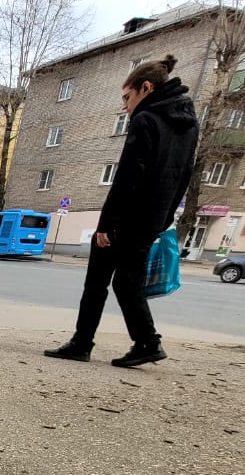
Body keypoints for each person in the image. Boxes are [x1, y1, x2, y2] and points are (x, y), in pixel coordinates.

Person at [45, 55, 197, 368]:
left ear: (146, 87)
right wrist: (165, 219)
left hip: (125, 219)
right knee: (127, 281)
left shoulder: (146, 119)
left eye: (127, 98)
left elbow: (128, 177)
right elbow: (184, 176)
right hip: (152, 220)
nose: (125, 106)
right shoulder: (187, 124)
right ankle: (147, 341)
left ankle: (82, 342)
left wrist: (106, 225)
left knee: (97, 282)